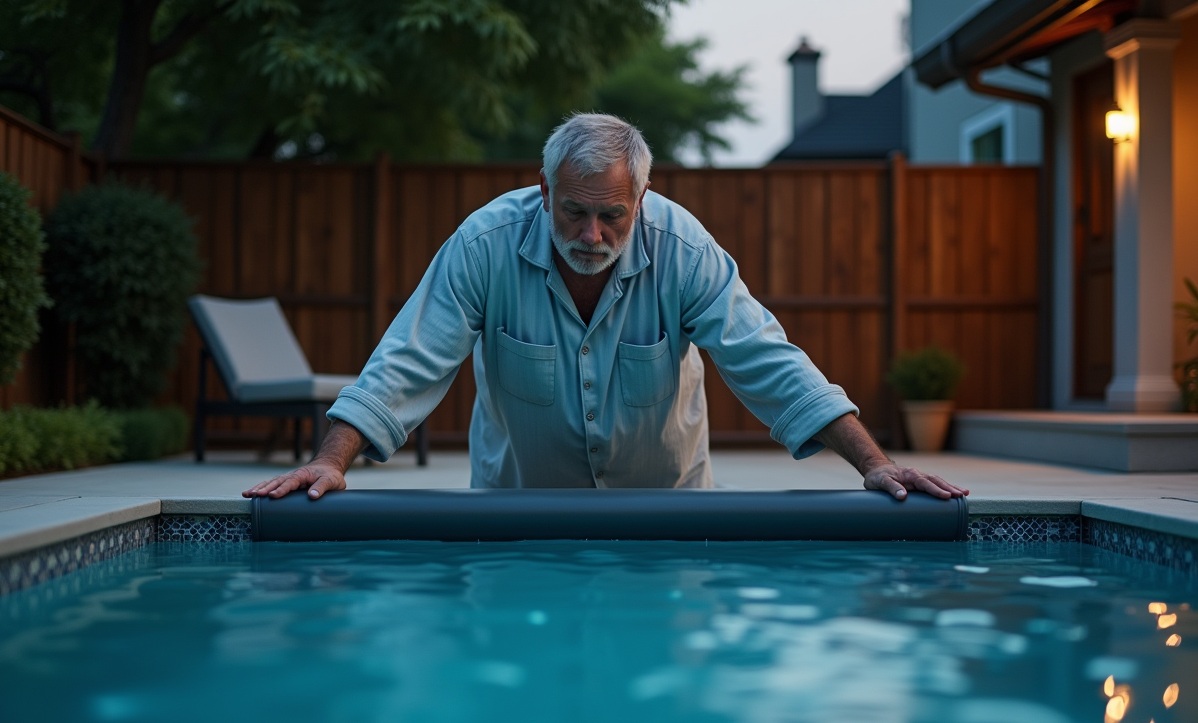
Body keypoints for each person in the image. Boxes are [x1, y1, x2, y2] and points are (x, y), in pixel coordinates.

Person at [245, 113, 967, 503]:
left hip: (669, 518)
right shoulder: (485, 245)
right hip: (515, 519)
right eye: (573, 212)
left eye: (612, 216)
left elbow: (766, 360)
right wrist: (331, 461)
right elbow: (409, 357)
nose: (591, 235)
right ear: (543, 191)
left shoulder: (684, 250)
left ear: (643, 201)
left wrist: (873, 463)